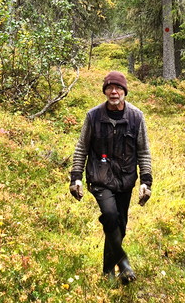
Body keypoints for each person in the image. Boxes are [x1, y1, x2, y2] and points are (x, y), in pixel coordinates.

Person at [69, 70, 153, 283]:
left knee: (119, 225)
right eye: (109, 88)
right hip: (100, 177)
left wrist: (146, 181)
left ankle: (108, 272)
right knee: (110, 214)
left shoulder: (136, 116)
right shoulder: (93, 116)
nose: (114, 92)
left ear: (124, 91)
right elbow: (81, 148)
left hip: (125, 179)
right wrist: (76, 177)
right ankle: (123, 263)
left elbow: (143, 151)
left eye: (118, 88)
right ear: (105, 91)